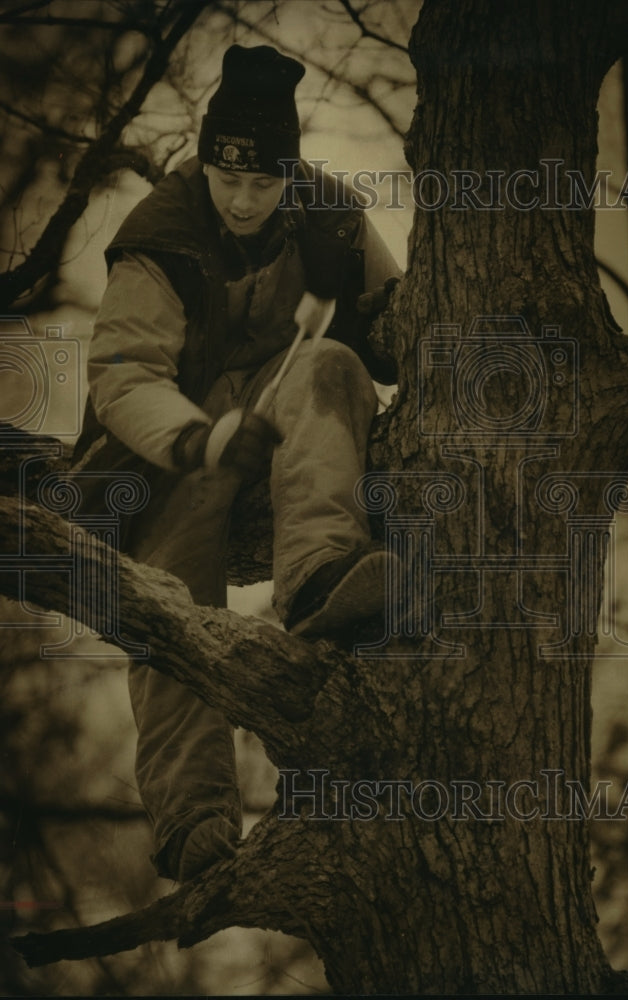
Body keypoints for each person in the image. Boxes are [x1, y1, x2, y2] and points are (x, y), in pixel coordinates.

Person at [74, 44, 401, 882]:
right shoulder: (162, 235)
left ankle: (321, 575)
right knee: (171, 609)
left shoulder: (332, 217)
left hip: (287, 417)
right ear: (205, 165)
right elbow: (124, 376)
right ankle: (191, 813)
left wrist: (400, 315)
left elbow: (398, 324)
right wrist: (201, 439)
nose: (245, 199)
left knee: (331, 364)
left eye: (264, 181)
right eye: (228, 180)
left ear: (291, 171)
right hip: (168, 453)